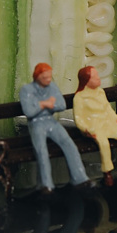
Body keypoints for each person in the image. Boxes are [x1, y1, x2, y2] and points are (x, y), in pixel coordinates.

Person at [20, 62, 92, 195]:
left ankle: (80, 178)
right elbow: (29, 112)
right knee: (41, 150)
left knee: (69, 143)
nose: (48, 80)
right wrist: (43, 104)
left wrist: (46, 105)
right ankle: (46, 185)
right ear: (37, 76)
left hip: (50, 121)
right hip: (36, 123)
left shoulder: (52, 86)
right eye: (45, 77)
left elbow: (61, 105)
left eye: (49, 77)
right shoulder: (27, 90)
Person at [73, 66, 117, 186]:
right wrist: (86, 129)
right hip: (94, 127)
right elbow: (79, 119)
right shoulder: (79, 97)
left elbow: (109, 110)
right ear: (86, 80)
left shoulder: (100, 92)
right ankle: (107, 173)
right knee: (104, 145)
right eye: (94, 77)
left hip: (108, 123)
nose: (98, 79)